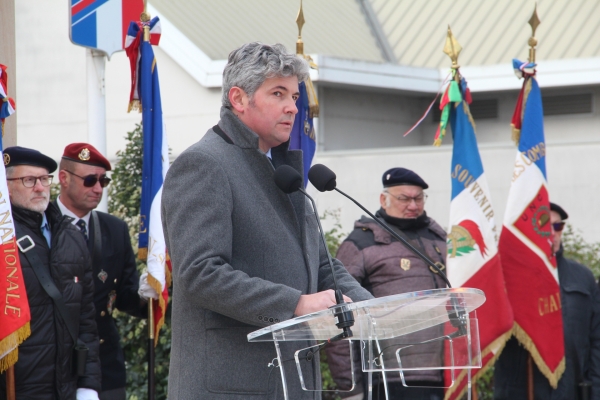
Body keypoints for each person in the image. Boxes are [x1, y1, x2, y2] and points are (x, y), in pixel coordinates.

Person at [161, 42, 373, 400]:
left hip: (292, 385)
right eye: (278, 93)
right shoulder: (204, 165)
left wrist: (370, 308)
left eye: (293, 95)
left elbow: (320, 265)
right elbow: (200, 273)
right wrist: (296, 304)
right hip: (230, 388)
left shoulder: (282, 170)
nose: (293, 106)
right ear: (239, 99)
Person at [326, 167, 448, 400]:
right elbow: (338, 318)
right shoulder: (360, 243)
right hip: (386, 379)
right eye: (404, 198)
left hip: (446, 376)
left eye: (419, 198)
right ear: (384, 199)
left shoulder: (439, 240)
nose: (413, 205)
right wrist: (351, 388)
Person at [0, 146, 101, 399]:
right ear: (6, 187)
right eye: (29, 180)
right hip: (16, 388)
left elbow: (86, 321)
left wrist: (88, 385)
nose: (40, 187)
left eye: (45, 179)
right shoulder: (3, 242)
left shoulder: (70, 236)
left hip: (66, 388)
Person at [56, 143, 155, 400]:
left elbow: (125, 298)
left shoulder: (114, 229)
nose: (98, 189)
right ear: (63, 178)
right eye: (90, 180)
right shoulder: (42, 225)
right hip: (52, 365)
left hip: (104, 364)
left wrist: (149, 293)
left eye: (103, 180)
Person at [494, 202, 600, 400]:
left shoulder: (583, 277)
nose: (552, 232)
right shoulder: (507, 277)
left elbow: (596, 341)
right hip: (522, 390)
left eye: (557, 226)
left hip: (572, 389)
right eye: (544, 226)